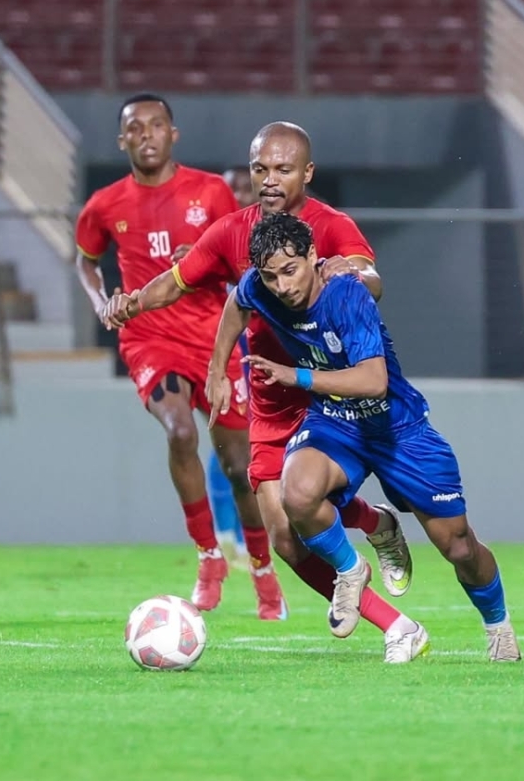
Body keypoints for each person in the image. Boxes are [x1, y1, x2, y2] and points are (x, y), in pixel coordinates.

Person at [102, 122, 426, 664]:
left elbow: (372, 277)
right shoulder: (234, 231)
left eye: (282, 169)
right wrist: (131, 304)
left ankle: (378, 560)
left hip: (327, 391)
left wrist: (354, 273)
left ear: (307, 173)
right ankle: (389, 584)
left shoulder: (332, 225)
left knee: (305, 507)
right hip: (272, 395)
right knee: (285, 539)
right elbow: (178, 280)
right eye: (260, 169)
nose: (269, 180)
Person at [210, 212, 521, 661]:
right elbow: (237, 302)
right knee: (294, 496)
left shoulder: (346, 295)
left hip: (398, 428)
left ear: (314, 258)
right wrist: (217, 368)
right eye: (271, 276)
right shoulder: (261, 286)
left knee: (458, 546)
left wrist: (296, 375)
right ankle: (351, 570)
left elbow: (374, 380)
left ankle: (498, 625)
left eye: (291, 271)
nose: (282, 286)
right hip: (336, 422)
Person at [75, 93, 286, 619]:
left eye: (156, 125)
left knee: (241, 468)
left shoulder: (211, 191)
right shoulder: (104, 205)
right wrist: (102, 302)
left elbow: (240, 262)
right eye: (135, 128)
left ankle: (262, 570)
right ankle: (209, 557)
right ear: (122, 140)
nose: (146, 134)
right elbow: (86, 261)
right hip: (148, 337)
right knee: (180, 432)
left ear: (174, 134)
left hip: (212, 337)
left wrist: (200, 262)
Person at [206, 167, 255, 569]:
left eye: (244, 187)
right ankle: (226, 533)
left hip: (260, 354)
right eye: (229, 188)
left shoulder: (264, 242)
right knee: (227, 439)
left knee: (252, 445)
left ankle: (243, 534)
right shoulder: (211, 239)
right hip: (224, 352)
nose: (236, 194)